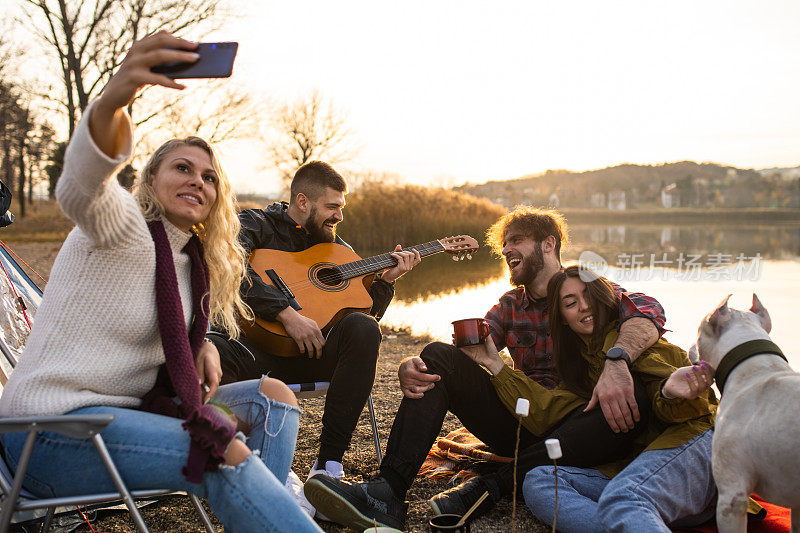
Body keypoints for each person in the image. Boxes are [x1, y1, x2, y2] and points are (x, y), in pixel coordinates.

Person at [0, 32, 321, 533]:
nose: (198, 180)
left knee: (272, 396)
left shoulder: (194, 264)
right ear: (150, 181)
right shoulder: (119, 227)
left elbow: (166, 328)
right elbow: (82, 183)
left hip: (121, 420)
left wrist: (204, 344)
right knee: (222, 449)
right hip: (49, 434)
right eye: (182, 168)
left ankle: (261, 518)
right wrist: (116, 96)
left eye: (210, 177)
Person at [304, 206, 667, 530]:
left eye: (517, 241)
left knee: (630, 399)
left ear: (548, 244)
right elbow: (459, 355)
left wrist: (617, 362)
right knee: (436, 355)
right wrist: (412, 367)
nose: (507, 249)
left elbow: (648, 311)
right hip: (524, 420)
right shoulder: (510, 306)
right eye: (504, 244)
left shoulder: (586, 291)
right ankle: (387, 493)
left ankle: (491, 486)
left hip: (584, 429)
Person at [208, 161, 421, 498]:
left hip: (313, 353)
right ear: (303, 202)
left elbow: (365, 318)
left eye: (342, 207)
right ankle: (245, 462)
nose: (339, 216)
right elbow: (229, 270)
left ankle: (327, 467)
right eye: (333, 206)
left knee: (364, 329)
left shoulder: (338, 252)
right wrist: (285, 312)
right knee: (210, 350)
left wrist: (384, 283)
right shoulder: (254, 224)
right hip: (255, 351)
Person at [519, 265, 717, 532]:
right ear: (562, 317)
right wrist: (494, 366)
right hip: (644, 475)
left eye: (589, 295)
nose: (585, 306)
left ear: (603, 298)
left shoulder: (634, 344)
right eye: (571, 302)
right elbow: (550, 408)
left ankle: (634, 516)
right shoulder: (582, 363)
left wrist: (669, 393)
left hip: (693, 449)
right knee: (538, 479)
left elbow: (696, 410)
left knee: (625, 499)